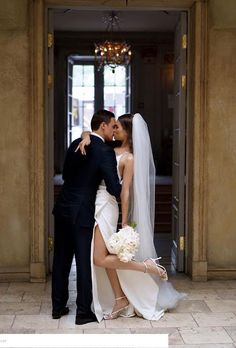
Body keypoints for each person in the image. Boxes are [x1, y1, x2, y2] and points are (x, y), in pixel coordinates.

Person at [78, 113, 185, 322]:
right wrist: (85, 135)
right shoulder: (108, 147)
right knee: (104, 256)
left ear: (128, 132)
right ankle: (120, 298)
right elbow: (94, 135)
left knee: (98, 257)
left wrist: (124, 221)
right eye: (113, 126)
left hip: (107, 208)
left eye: (117, 127)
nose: (114, 130)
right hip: (94, 203)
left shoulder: (129, 158)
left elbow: (125, 191)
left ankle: (147, 267)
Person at [51, 110, 121, 325]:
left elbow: (65, 175)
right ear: (102, 126)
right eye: (112, 126)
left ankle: (58, 306)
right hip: (82, 211)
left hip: (63, 206)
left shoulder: (75, 143)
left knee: (61, 259)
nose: (114, 130)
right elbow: (113, 187)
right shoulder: (105, 152)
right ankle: (83, 312)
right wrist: (123, 187)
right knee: (83, 261)